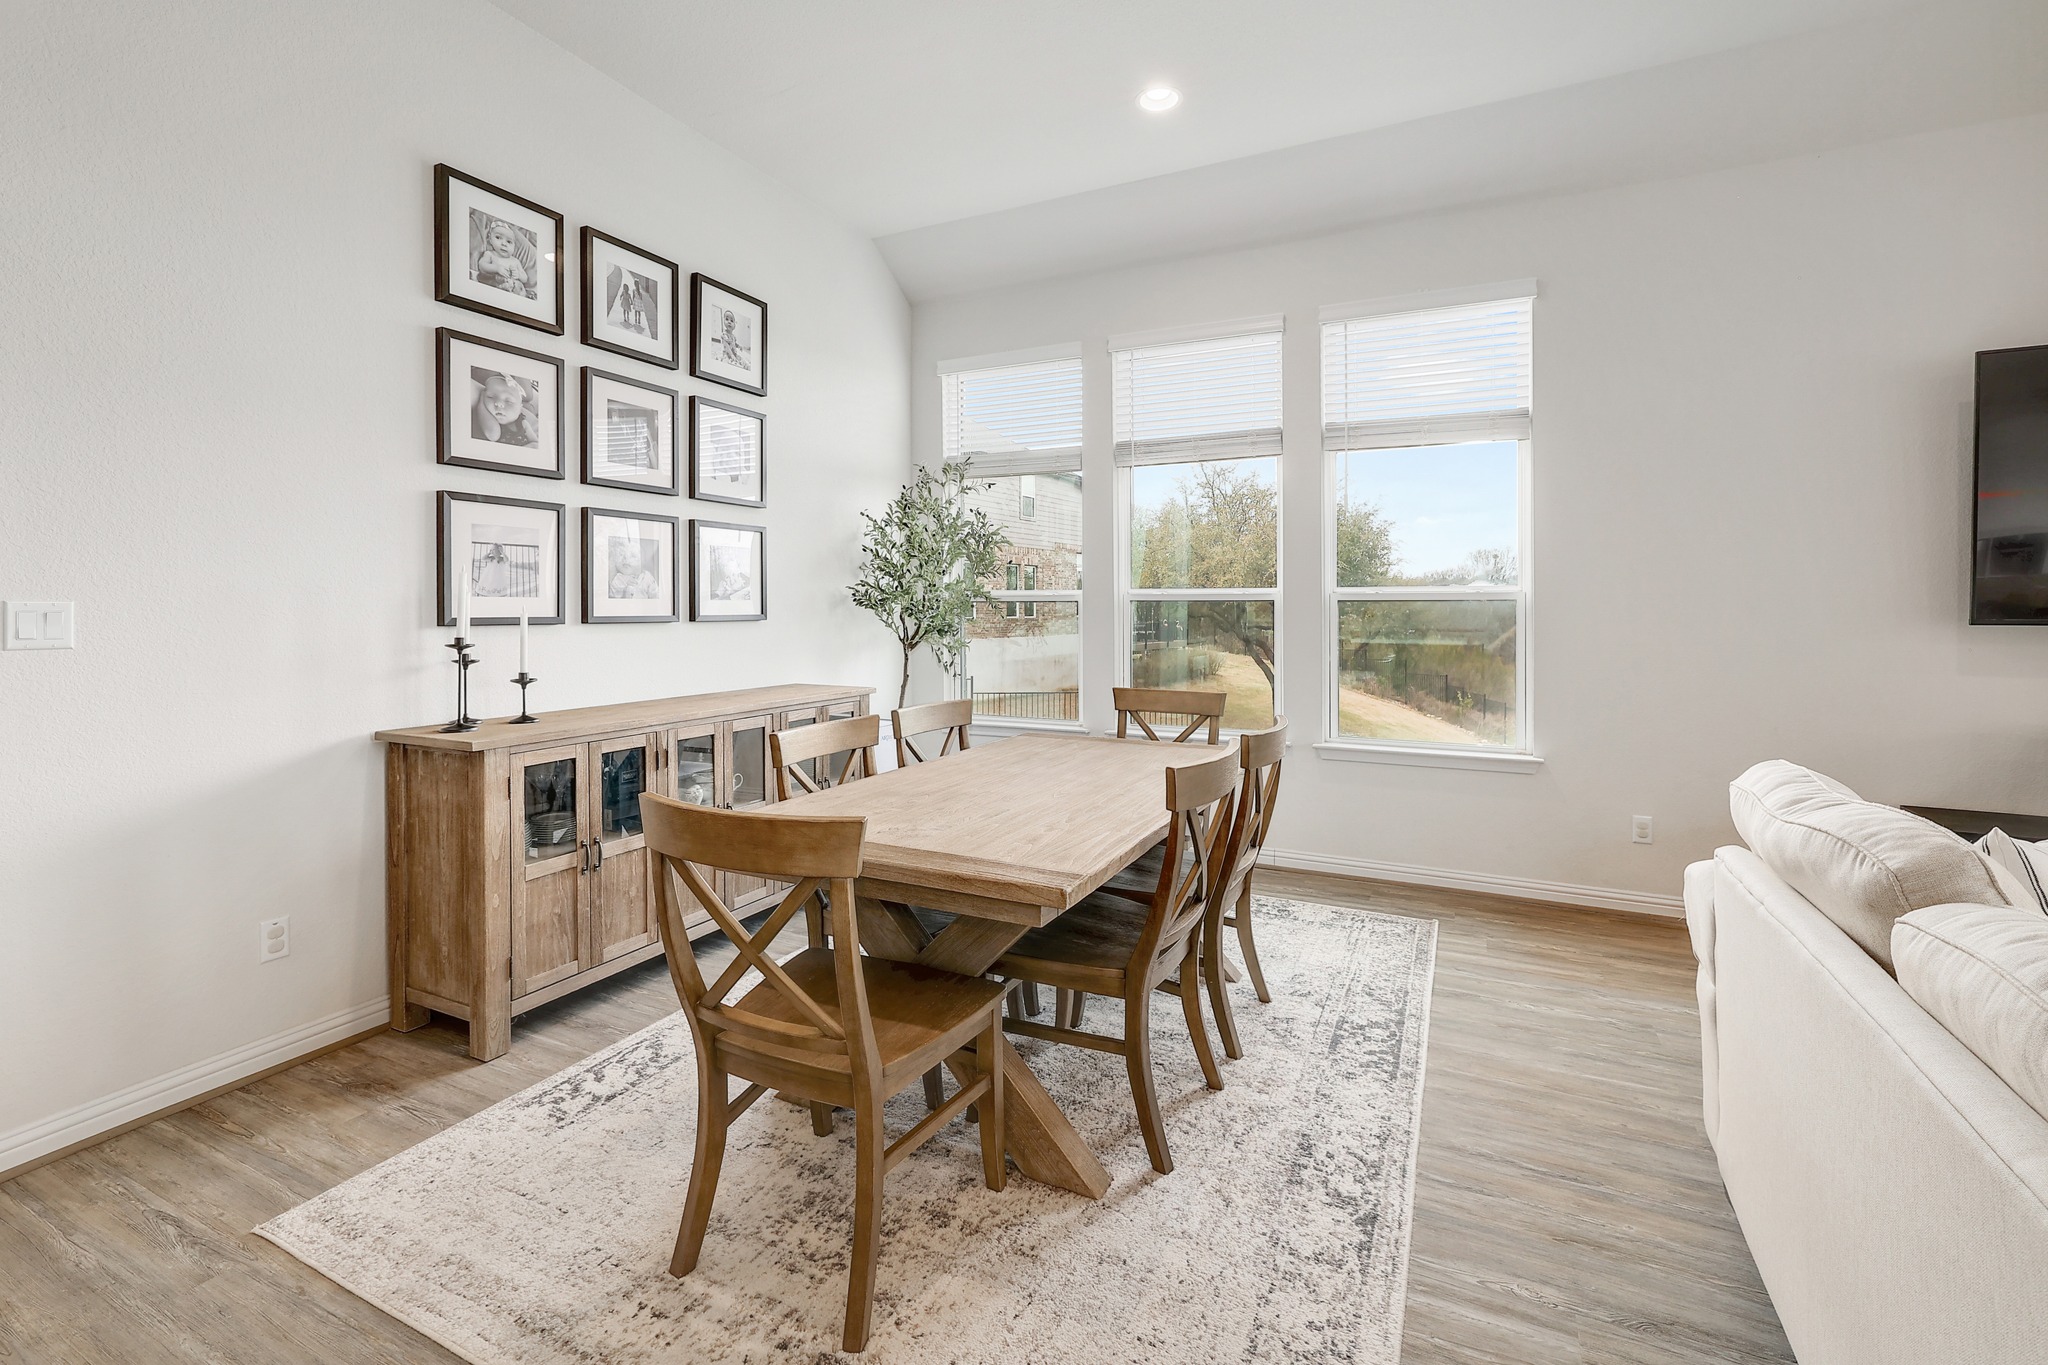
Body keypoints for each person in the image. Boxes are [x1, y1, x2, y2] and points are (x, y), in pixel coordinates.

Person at [472, 372, 538, 446]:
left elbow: (535, 442)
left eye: (508, 401)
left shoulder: (523, 423)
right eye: (490, 397)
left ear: (520, 409)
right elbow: (492, 434)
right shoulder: (488, 420)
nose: (498, 403)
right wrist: (482, 404)